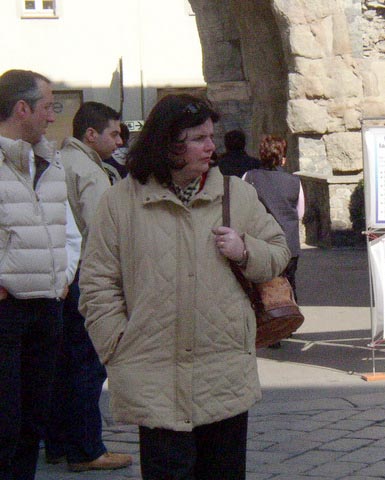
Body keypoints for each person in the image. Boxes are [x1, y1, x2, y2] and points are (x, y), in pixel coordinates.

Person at [78, 94, 290, 480]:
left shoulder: (236, 194)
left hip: (223, 373)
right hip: (155, 376)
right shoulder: (119, 202)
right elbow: (97, 283)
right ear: (167, 143)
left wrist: (246, 250)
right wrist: (116, 343)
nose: (211, 146)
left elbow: (279, 252)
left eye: (211, 136)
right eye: (198, 138)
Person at [0, 69, 81, 480]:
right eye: (48, 107)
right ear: (22, 108)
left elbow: (69, 231)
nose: (52, 116)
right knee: (5, 425)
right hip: (6, 311)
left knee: (33, 423)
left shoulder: (50, 161)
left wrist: (62, 277)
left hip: (47, 308)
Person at [45, 102, 132, 472]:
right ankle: (86, 448)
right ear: (91, 134)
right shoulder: (90, 171)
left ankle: (58, 442)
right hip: (85, 276)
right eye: (114, 133)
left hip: (62, 276)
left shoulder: (59, 162)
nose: (119, 141)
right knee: (87, 366)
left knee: (62, 365)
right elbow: (101, 233)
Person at [243, 135, 305, 300]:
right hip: (289, 242)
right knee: (288, 287)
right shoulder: (294, 181)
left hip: (259, 242)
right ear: (283, 159)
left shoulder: (249, 177)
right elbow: (300, 212)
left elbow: (242, 208)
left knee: (259, 290)